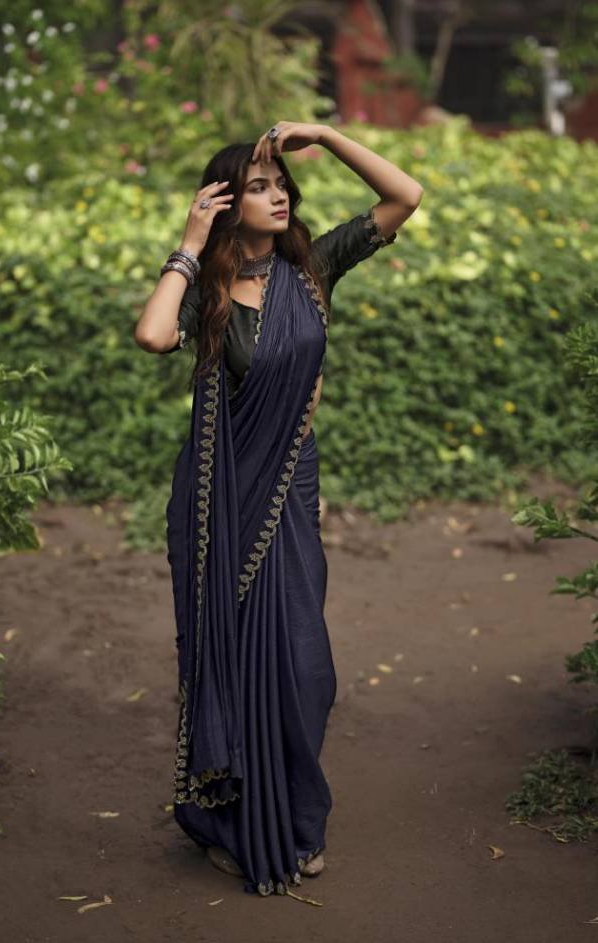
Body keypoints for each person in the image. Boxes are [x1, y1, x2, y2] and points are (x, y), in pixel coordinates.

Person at [134, 121, 423, 898]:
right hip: (219, 502)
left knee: (302, 666)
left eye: (279, 184)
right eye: (257, 186)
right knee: (228, 662)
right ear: (225, 203)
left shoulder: (313, 269)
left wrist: (324, 135)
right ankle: (232, 825)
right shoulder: (205, 296)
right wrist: (188, 243)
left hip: (288, 488)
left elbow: (405, 195)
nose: (277, 195)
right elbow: (152, 334)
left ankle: (293, 817)